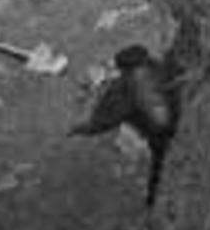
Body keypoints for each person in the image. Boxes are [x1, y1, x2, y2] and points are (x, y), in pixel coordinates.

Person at [70, 44, 179, 203]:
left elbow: (105, 120)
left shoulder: (124, 87)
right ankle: (154, 196)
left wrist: (81, 129)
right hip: (177, 117)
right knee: (162, 160)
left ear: (123, 69)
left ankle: (152, 199)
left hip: (160, 132)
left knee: (159, 164)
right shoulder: (156, 66)